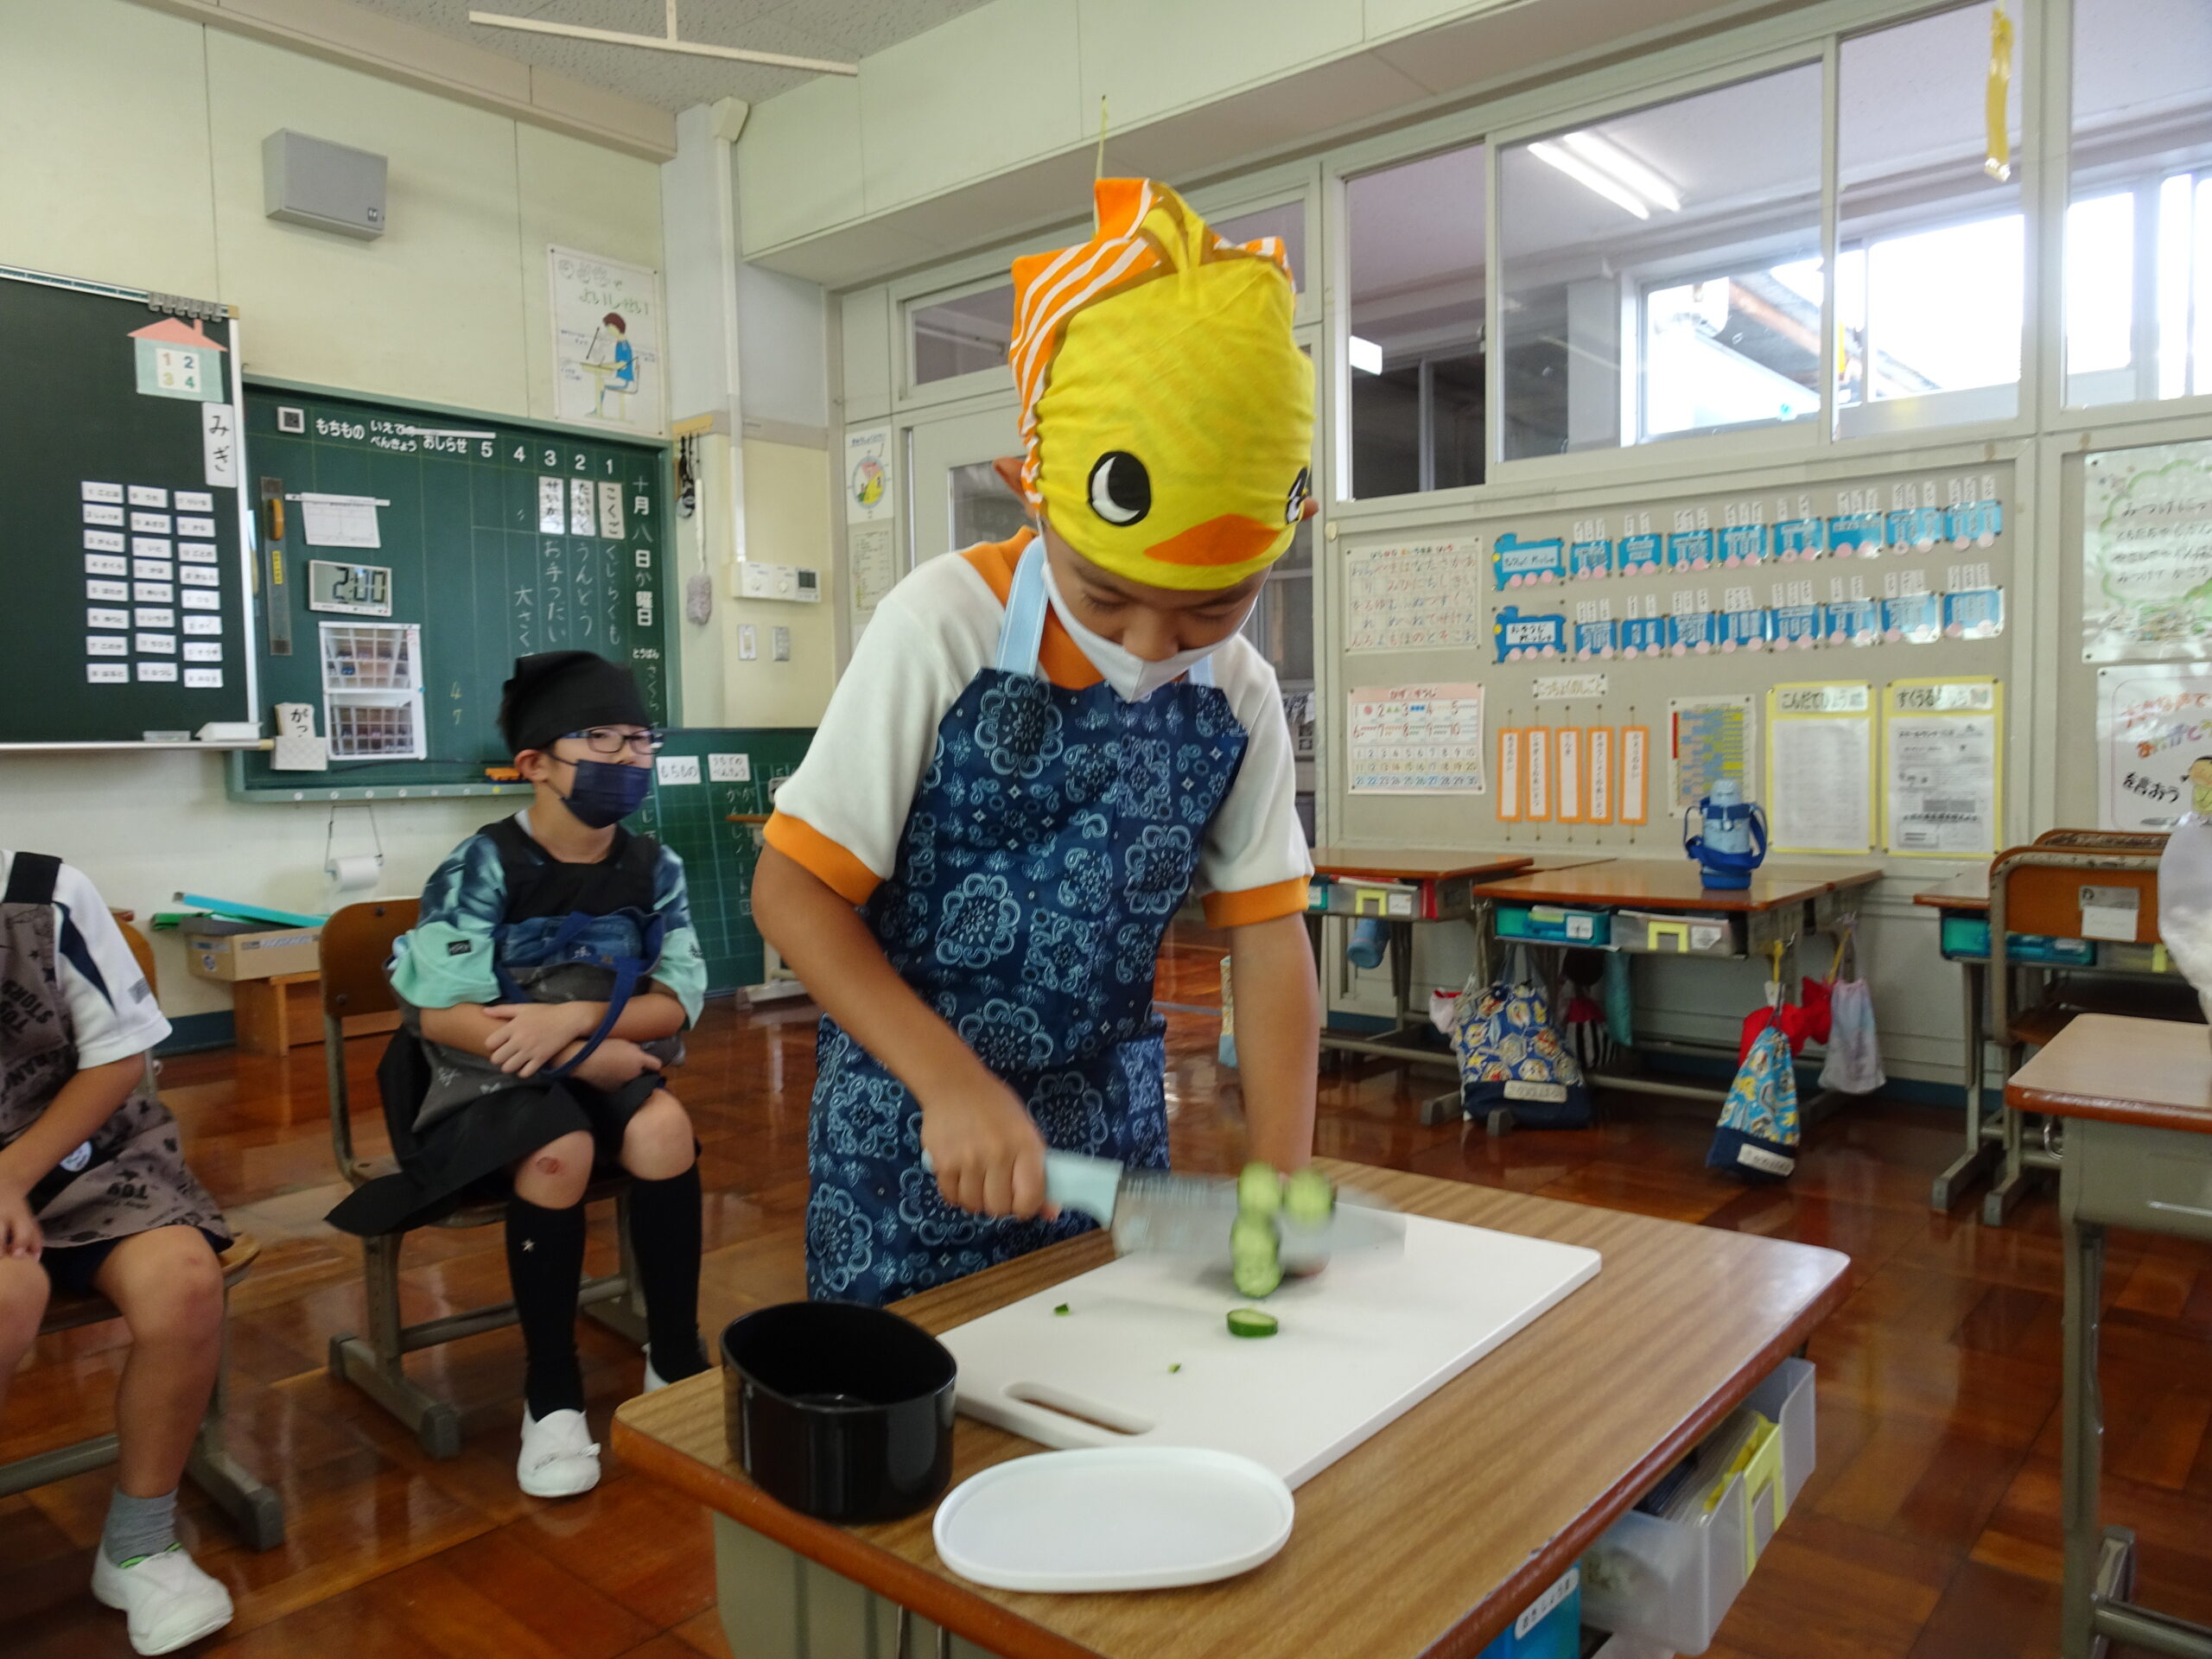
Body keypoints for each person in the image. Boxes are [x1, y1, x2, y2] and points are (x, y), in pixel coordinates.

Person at [753, 178, 1320, 1306]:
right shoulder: (943, 623)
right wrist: (949, 1082)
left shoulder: (1239, 696)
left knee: (1108, 1370)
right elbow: (792, 891)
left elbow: (1268, 941)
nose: (1150, 647)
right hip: (912, 1130)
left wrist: (1280, 1182)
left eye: (1211, 607)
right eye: (1106, 596)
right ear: (1035, 493)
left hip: (1109, 1131)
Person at [327, 652, 709, 1498]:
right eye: (600, 739)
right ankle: (552, 1393)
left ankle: (677, 1357)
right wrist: (583, 1053)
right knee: (560, 1150)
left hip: (590, 1052)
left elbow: (676, 1002)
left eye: (640, 739)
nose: (627, 757)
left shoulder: (656, 868)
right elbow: (440, 1015)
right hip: (477, 1076)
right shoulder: (485, 865)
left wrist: (574, 1024)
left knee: (664, 1128)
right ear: (535, 764)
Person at [0, 851, 235, 1655]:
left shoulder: (44, 894)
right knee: (10, 1299)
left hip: (83, 1159)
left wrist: (12, 1176)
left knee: (185, 1284)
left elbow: (118, 1057)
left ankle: (139, 1543)